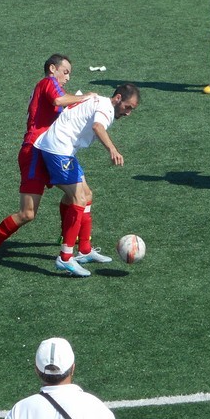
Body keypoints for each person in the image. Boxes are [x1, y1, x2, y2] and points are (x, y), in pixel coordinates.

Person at [0, 55, 97, 273]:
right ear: (52, 68)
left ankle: (70, 240)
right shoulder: (48, 83)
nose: (68, 77)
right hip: (34, 151)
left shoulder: (54, 90)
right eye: (65, 72)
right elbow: (59, 101)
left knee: (81, 194)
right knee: (27, 214)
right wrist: (85, 97)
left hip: (53, 151)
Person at [34, 84, 140, 277]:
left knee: (87, 195)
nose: (128, 113)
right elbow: (97, 126)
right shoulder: (106, 108)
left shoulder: (98, 100)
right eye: (128, 107)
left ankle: (84, 250)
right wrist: (113, 150)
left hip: (64, 149)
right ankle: (65, 258)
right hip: (58, 149)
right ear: (117, 98)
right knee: (79, 199)